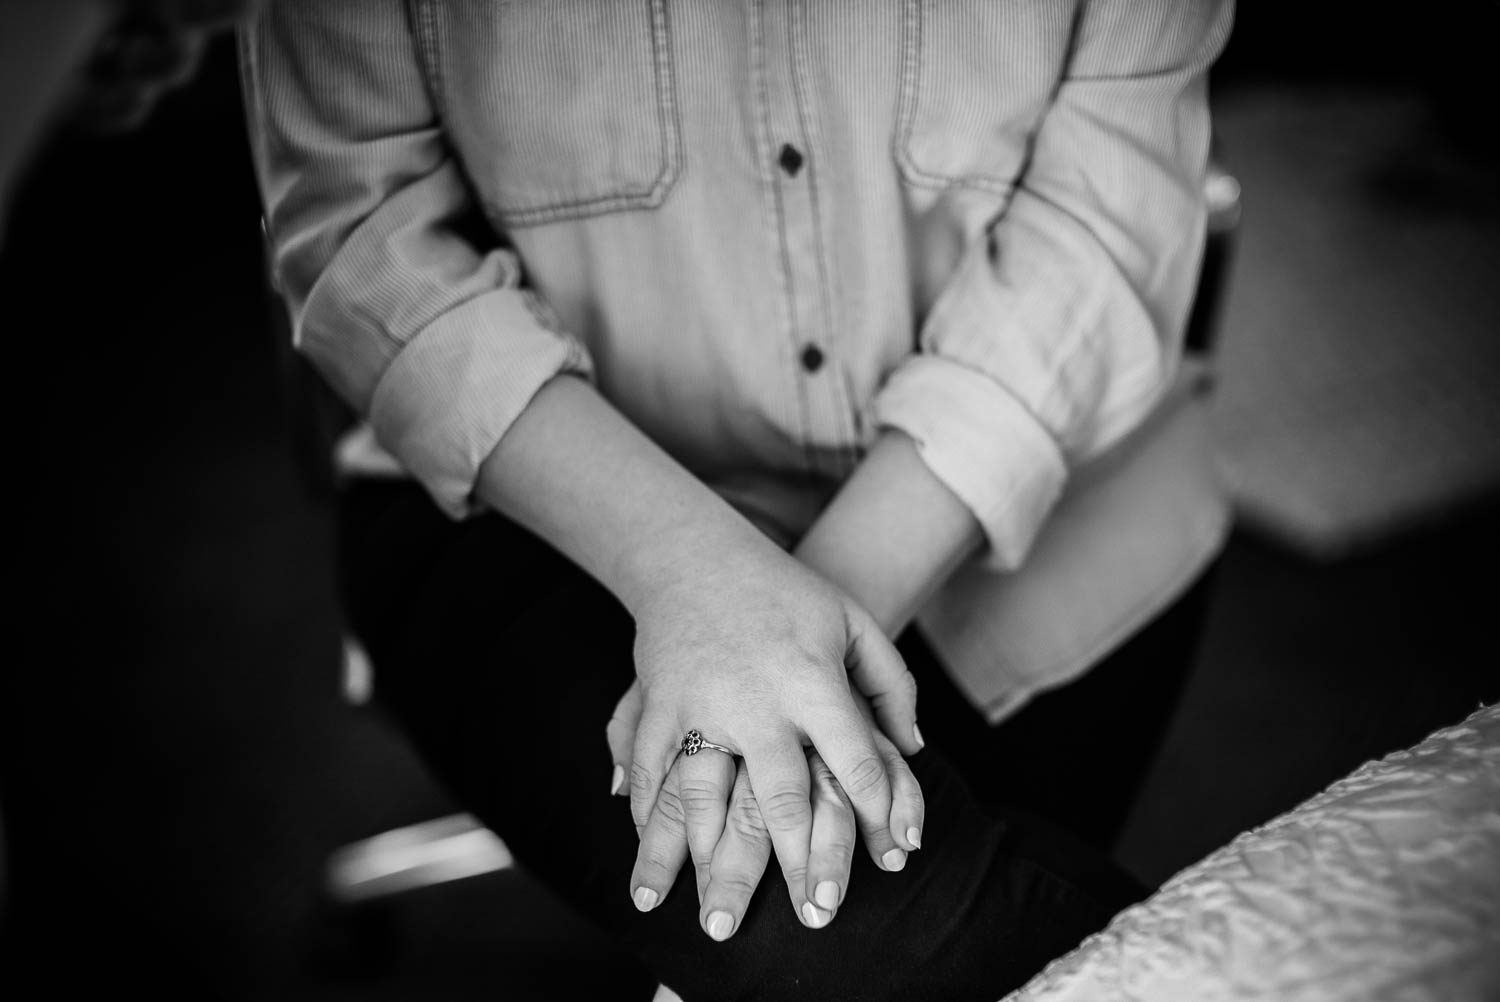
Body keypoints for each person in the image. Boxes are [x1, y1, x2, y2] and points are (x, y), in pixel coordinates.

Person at [243, 1, 1233, 998]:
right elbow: (360, 233)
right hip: (549, 495)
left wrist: (780, 633)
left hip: (1040, 488)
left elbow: (1105, 225)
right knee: (868, 944)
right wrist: (695, 576)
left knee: (912, 918)